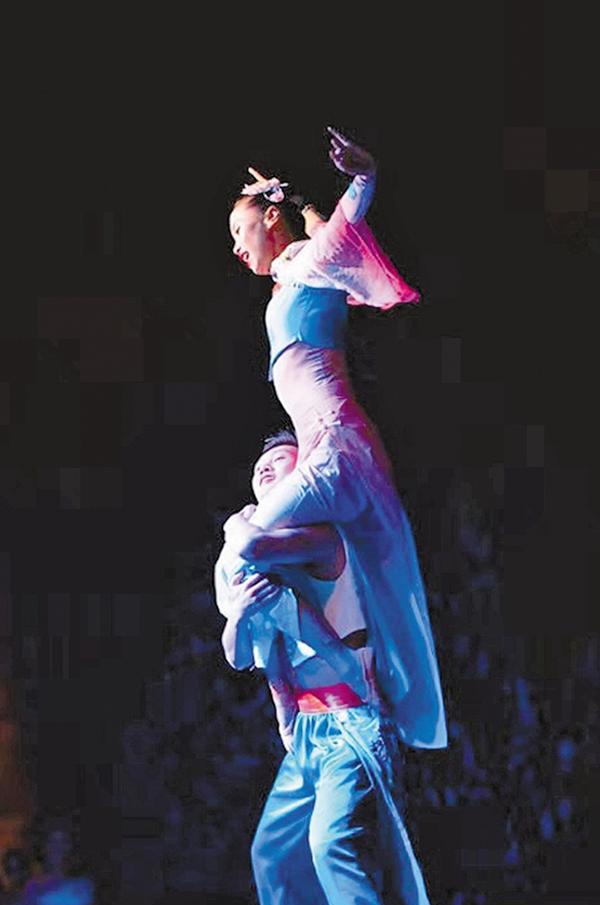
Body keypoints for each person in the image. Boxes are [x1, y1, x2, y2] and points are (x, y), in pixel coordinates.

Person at [216, 430, 443, 905]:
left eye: (279, 465)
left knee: (332, 843)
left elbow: (250, 541)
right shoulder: (266, 569)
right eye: (258, 468)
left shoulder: (323, 537)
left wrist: (238, 524)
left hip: (353, 721)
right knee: (275, 850)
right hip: (310, 732)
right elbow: (238, 652)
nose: (265, 474)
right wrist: (242, 613)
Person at [225, 126, 447, 759]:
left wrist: (364, 176)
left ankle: (313, 687)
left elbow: (340, 229)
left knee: (244, 546)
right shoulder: (293, 274)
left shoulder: (306, 266)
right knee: (267, 566)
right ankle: (332, 684)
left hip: (336, 452)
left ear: (270, 219)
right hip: (331, 452)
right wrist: (300, 202)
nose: (236, 247)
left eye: (240, 230)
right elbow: (324, 235)